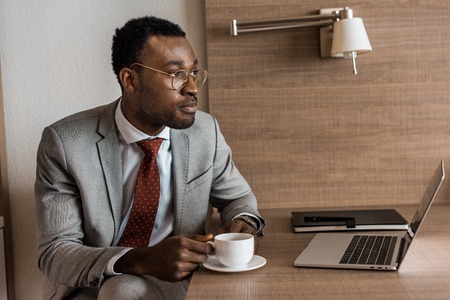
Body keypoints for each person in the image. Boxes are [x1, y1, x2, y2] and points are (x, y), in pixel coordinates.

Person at [35, 16, 265, 299]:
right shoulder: (65, 143)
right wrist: (141, 259)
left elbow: (237, 198)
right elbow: (55, 253)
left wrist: (245, 222)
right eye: (176, 74)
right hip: (90, 286)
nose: (192, 88)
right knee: (123, 288)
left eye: (193, 73)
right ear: (130, 79)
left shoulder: (205, 131)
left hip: (180, 281)